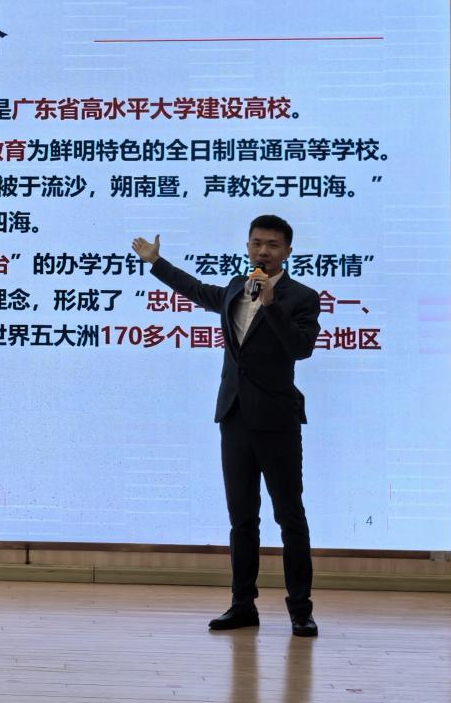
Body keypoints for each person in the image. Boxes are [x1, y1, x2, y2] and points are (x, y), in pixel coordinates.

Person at [131, 214, 321, 637]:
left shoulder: (302, 297)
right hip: (234, 417)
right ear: (247, 246)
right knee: (242, 520)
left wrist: (270, 305)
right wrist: (156, 262)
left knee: (290, 517)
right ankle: (242, 605)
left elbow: (300, 348)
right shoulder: (236, 287)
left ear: (287, 251)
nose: (263, 251)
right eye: (256, 243)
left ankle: (300, 609)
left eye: (272, 245)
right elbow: (198, 290)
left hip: (277, 421)